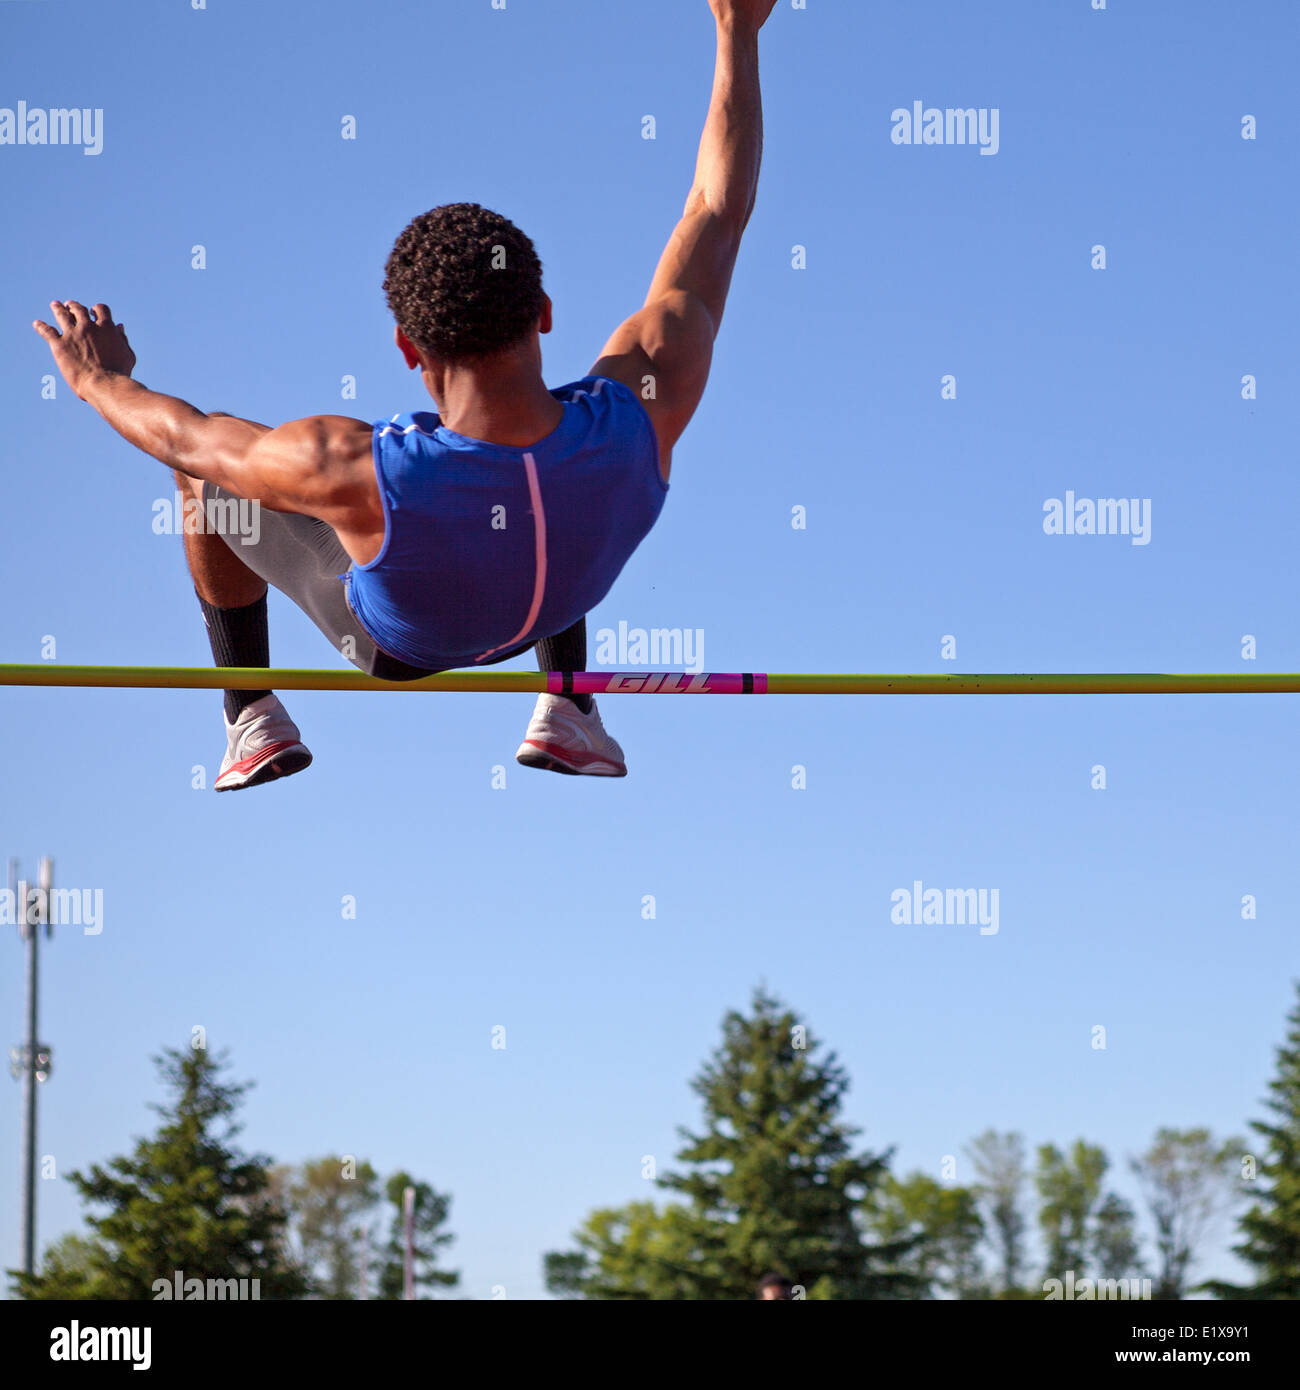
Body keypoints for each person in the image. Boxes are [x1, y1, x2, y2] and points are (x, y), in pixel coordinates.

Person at [33, 0, 779, 789]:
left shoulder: (354, 470)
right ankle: (569, 706)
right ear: (546, 314)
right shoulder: (642, 411)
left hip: (400, 649)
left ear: (406, 348)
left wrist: (97, 379)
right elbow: (717, 211)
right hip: (558, 588)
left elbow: (185, 437)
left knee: (200, 478)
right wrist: (737, 32)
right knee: (557, 458)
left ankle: (250, 714)